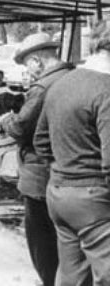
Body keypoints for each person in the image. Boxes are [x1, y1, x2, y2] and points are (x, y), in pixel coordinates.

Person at [34, 21, 110, 286]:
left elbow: (41, 142)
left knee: (72, 276)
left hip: (59, 195)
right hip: (94, 200)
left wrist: (66, 170)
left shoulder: (61, 84)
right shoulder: (106, 90)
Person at [0, 33, 73, 286]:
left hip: (40, 173)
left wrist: (3, 118)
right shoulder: (74, 77)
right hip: (70, 171)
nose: (27, 71)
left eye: (27, 64)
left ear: (37, 61)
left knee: (42, 241)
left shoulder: (42, 87)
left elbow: (20, 129)